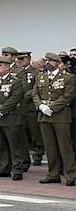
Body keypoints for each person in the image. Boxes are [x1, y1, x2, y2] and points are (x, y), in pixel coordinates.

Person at [35, 52, 76, 186]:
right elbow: (35, 94)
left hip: (60, 116)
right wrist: (40, 105)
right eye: (47, 60)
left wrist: (52, 107)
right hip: (44, 116)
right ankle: (53, 174)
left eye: (51, 61)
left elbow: (67, 96)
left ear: (58, 63)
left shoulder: (67, 78)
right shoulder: (40, 77)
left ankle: (71, 174)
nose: (48, 63)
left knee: (65, 147)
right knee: (50, 147)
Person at [0, 52, 27, 181]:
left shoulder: (15, 81)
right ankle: (4, 168)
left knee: (14, 145)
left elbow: (15, 98)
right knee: (0, 145)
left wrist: (2, 110)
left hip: (11, 118)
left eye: (0, 65)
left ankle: (17, 169)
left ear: (8, 67)